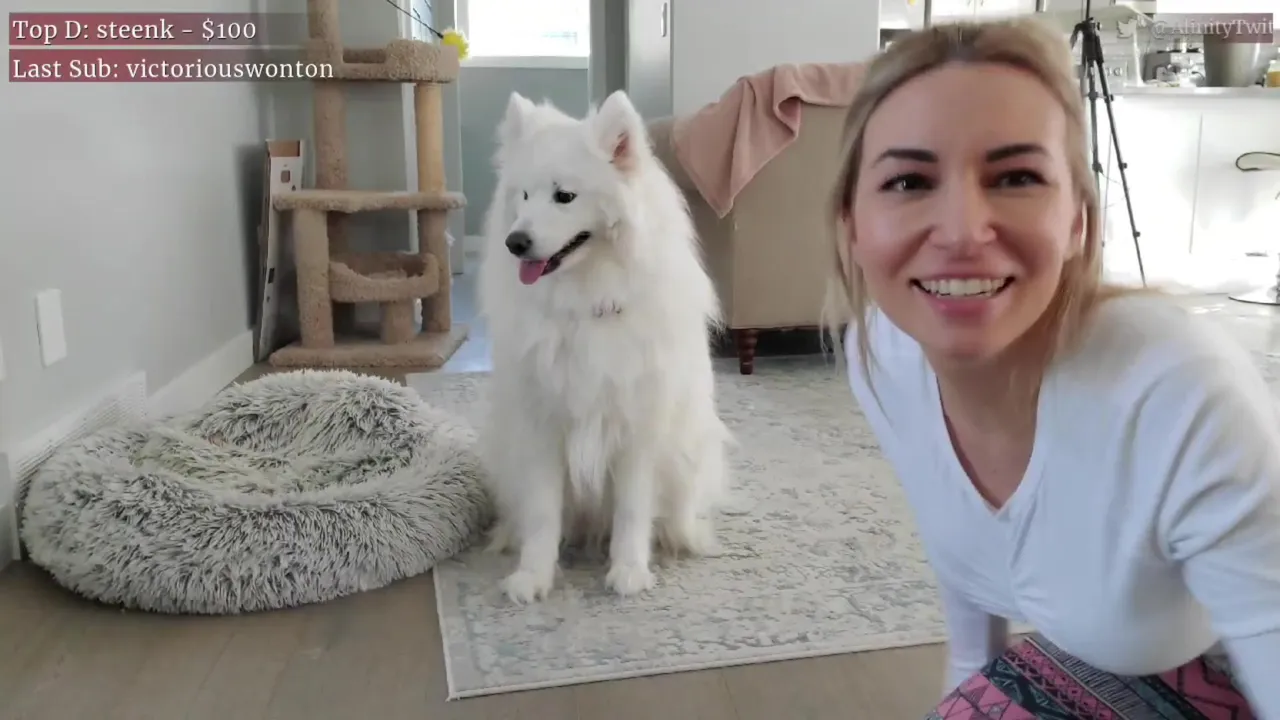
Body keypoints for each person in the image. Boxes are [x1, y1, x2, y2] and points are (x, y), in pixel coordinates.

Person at [825, 18, 1280, 719]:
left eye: (1016, 177)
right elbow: (969, 600)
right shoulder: (884, 358)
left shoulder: (1177, 395)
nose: (962, 231)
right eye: (909, 180)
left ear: (1077, 222)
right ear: (852, 225)